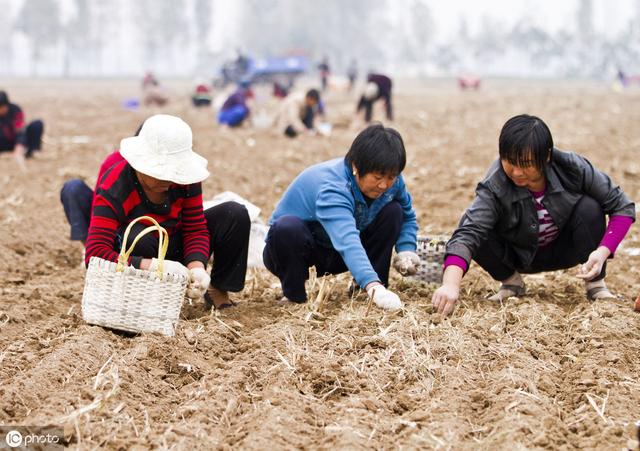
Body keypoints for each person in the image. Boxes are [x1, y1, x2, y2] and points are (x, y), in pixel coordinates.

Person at [432, 114, 636, 316]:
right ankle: (511, 283)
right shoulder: (495, 185)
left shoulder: (573, 167)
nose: (517, 172)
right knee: (470, 221)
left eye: (527, 163)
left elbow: (622, 206)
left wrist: (602, 252)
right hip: (516, 255)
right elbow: (468, 233)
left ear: (546, 156)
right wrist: (450, 285)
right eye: (509, 161)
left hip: (565, 249)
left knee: (590, 207)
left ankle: (596, 285)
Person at [84, 114, 251, 310]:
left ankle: (217, 291)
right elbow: (95, 254)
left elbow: (194, 228)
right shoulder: (115, 185)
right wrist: (152, 266)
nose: (169, 179)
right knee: (138, 235)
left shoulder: (185, 179)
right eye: (161, 173)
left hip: (175, 242)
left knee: (234, 214)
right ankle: (148, 298)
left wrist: (196, 266)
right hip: (138, 255)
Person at [263, 124, 420, 310]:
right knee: (287, 227)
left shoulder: (393, 182)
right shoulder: (333, 187)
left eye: (391, 177)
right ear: (356, 167)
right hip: (299, 253)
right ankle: (294, 295)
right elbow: (347, 240)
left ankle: (365, 292)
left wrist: (406, 250)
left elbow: (408, 217)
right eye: (378, 177)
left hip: (337, 254)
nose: (384, 185)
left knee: (394, 211)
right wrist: (373, 285)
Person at [0, 90, 44, 160]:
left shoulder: (15, 110)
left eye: (2, 107)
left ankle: (32, 152)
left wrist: (19, 147)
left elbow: (20, 130)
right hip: (3, 143)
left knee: (37, 124)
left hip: (17, 141)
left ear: (7, 105)